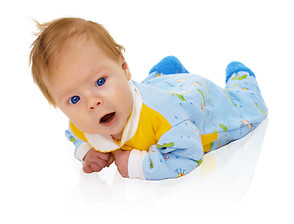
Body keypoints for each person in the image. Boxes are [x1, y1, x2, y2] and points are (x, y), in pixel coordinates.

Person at [30, 17, 268, 180]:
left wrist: (138, 165)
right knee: (150, 85)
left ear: (124, 69)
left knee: (245, 111)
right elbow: (74, 133)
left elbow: (190, 154)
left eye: (100, 82)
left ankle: (241, 78)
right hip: (154, 89)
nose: (92, 102)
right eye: (73, 99)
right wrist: (87, 151)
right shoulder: (82, 124)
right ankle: (167, 71)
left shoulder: (165, 118)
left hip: (198, 103)